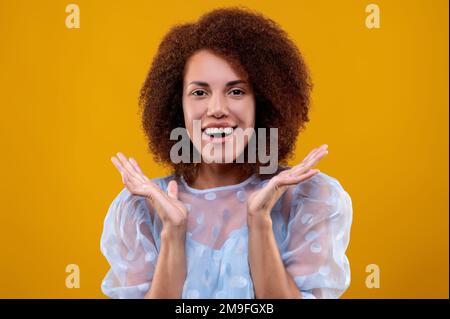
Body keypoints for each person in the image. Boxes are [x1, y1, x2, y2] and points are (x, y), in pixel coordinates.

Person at [100, 7, 353, 299]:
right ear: (176, 105)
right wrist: (172, 232)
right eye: (199, 93)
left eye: (236, 91)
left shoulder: (307, 199)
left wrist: (259, 221)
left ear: (263, 102)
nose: (217, 109)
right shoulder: (141, 210)